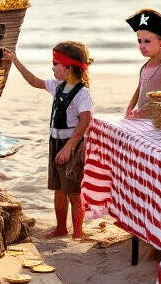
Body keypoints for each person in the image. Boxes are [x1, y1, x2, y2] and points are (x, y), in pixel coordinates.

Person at [5, 41, 94, 240]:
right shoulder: (57, 85)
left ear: (68, 67)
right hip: (55, 142)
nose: (52, 67)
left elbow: (85, 120)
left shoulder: (82, 93)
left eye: (55, 63)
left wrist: (69, 148)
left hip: (72, 145)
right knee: (58, 189)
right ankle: (61, 228)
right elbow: (33, 81)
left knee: (73, 191)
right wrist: (14, 60)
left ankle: (78, 232)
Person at [124, 9, 161, 119]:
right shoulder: (144, 67)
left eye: (147, 41)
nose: (142, 46)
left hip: (160, 120)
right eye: (139, 41)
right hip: (143, 119)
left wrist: (154, 110)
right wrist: (130, 108)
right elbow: (138, 91)